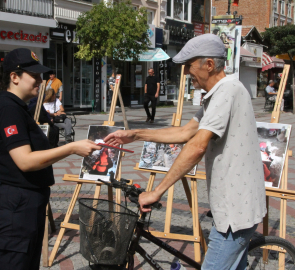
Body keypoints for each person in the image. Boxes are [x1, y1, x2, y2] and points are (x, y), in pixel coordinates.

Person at [104, 34, 266, 270]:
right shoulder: (216, 96)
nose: (187, 73)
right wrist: (135, 134)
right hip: (235, 209)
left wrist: (157, 191)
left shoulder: (227, 91)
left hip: (235, 213)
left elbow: (197, 145)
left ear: (209, 65)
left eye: (189, 66)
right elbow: (185, 133)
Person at [0, 48, 100, 270]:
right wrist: (72, 148)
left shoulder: (17, 107)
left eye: (41, 76)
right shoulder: (9, 109)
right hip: (15, 203)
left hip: (24, 201)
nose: (41, 81)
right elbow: (25, 160)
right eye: (34, 76)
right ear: (14, 77)